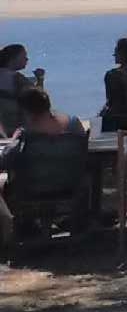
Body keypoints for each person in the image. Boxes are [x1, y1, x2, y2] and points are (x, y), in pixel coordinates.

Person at [0, 87, 90, 248]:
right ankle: (82, 223)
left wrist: (13, 139)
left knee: (6, 182)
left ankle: (25, 228)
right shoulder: (73, 124)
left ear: (27, 111)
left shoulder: (26, 135)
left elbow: (5, 159)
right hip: (70, 185)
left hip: (32, 189)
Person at [0, 44, 40, 135]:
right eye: (24, 56)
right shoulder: (16, 78)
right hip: (14, 128)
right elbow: (38, 99)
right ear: (14, 59)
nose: (27, 59)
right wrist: (40, 79)